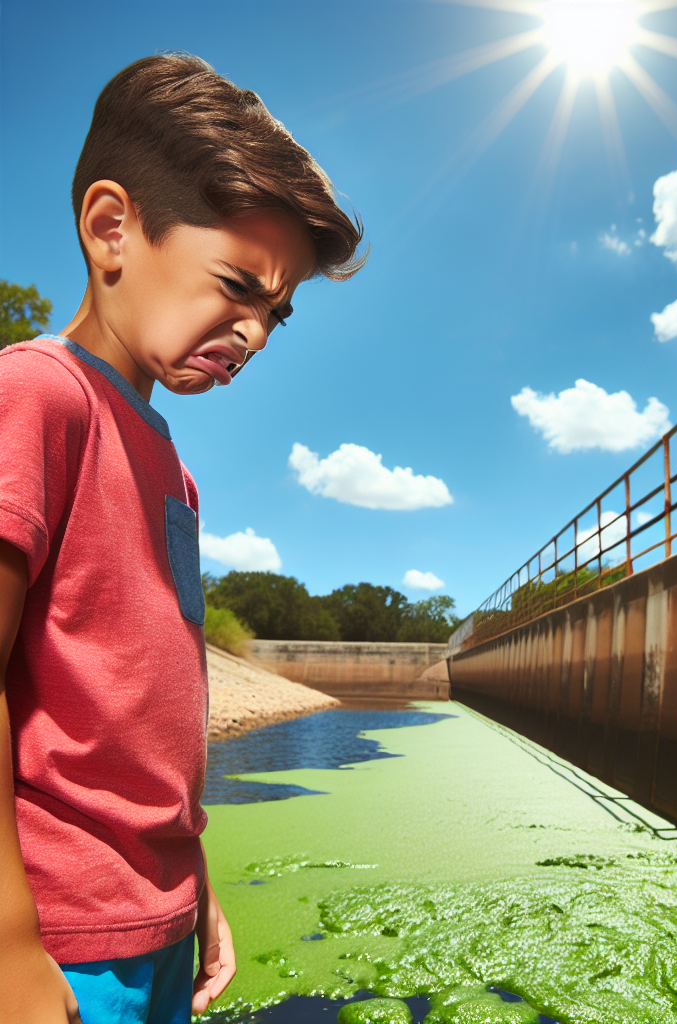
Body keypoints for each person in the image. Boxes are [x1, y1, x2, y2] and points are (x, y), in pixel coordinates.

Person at [0, 54, 363, 1023]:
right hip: (61, 941)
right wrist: (7, 947)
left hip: (156, 923)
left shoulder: (173, 466)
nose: (253, 332)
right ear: (112, 228)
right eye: (237, 285)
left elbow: (151, 708)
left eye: (274, 315)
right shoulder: (38, 397)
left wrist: (194, 881)